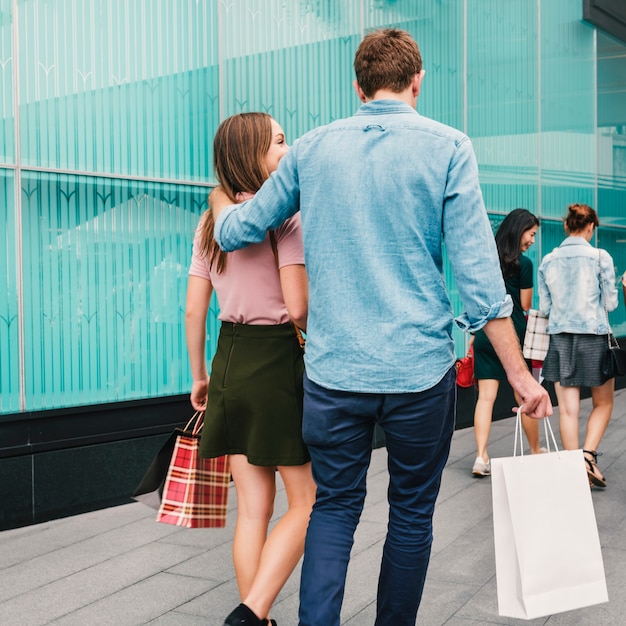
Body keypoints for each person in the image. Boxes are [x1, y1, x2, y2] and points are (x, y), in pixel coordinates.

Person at [210, 29, 551, 626]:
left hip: (334, 373)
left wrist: (221, 201)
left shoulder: (313, 149)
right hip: (418, 373)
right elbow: (478, 281)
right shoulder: (448, 147)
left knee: (335, 508)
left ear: (357, 87)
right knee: (412, 516)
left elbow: (237, 230)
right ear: (418, 82)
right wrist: (521, 377)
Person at [185, 112, 316, 626]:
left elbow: (195, 309)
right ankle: (249, 612)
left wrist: (200, 376)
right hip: (276, 358)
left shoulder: (210, 226)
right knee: (308, 500)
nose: (288, 148)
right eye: (279, 141)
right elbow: (298, 306)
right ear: (255, 154)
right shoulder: (284, 217)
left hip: (228, 359)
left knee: (254, 509)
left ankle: (254, 620)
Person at [538, 203, 617, 488]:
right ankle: (587, 455)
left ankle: (573, 468)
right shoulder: (600, 257)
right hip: (593, 337)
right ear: (591, 227)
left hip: (561, 339)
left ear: (566, 226)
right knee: (604, 402)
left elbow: (545, 308)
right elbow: (610, 304)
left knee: (568, 410)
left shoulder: (548, 260)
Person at [472, 209, 543, 477]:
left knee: (485, 398)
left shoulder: (487, 260)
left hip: (485, 334)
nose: (532, 240)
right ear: (520, 230)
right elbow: (525, 305)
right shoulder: (524, 265)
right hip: (513, 337)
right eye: (531, 233)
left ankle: (481, 457)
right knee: (525, 394)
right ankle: (535, 451)